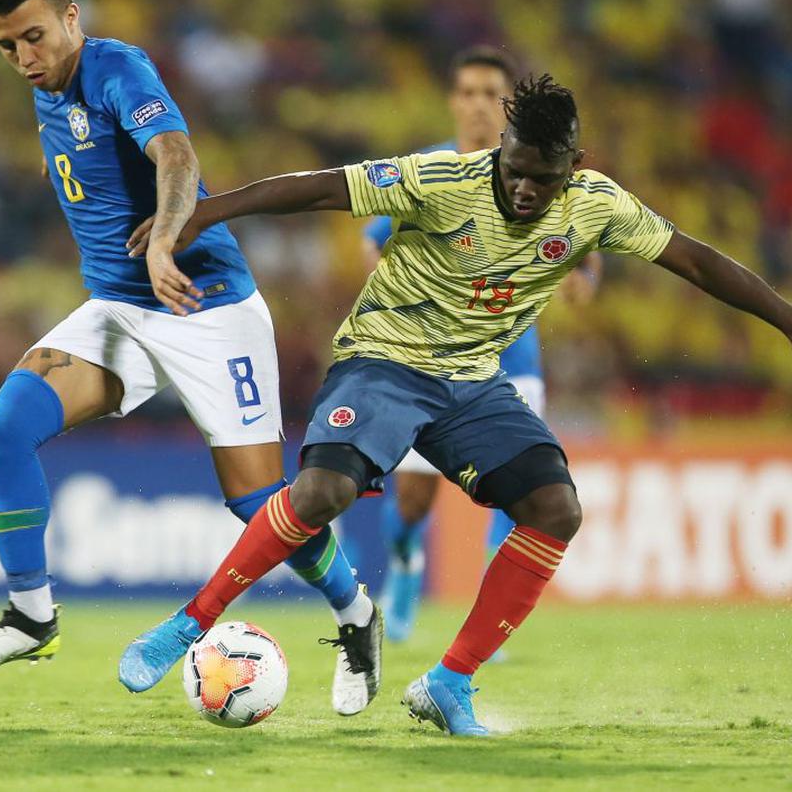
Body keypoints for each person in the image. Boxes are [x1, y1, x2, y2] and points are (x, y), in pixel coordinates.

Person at [119, 75, 792, 735]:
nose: (526, 190)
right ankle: (190, 623)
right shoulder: (441, 180)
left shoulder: (597, 205)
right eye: (515, 170)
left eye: (544, 179)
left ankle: (449, 681)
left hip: (471, 383)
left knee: (555, 510)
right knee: (323, 491)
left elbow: (699, 262)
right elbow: (322, 188)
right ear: (501, 149)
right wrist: (201, 212)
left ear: (573, 168)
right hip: (384, 360)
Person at [0, 0, 381, 716]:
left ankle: (356, 616)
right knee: (5, 426)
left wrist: (160, 240)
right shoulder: (47, 85)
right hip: (119, 309)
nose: (23, 58)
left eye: (35, 37)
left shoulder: (116, 68)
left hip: (203, 306)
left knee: (259, 505)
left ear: (72, 16)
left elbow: (176, 155)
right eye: (6, 46)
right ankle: (32, 615)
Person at [364, 47, 600, 644]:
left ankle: (487, 620)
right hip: (430, 360)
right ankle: (406, 563)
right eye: (466, 92)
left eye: (490, 93)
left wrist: (580, 279)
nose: (477, 105)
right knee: (413, 501)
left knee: (520, 494)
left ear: (510, 107)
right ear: (453, 101)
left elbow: (588, 257)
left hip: (513, 364)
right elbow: (373, 241)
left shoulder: (544, 176)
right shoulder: (428, 167)